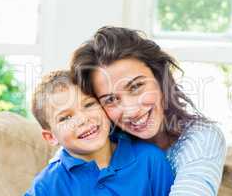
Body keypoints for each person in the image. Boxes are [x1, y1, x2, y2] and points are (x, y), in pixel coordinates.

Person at [70, 26, 227, 196]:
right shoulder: (99, 138)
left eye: (136, 86)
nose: (131, 111)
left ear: (160, 78)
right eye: (111, 99)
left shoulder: (201, 137)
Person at [24, 70, 174, 196]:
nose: (83, 119)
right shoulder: (46, 186)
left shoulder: (150, 160)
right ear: (51, 137)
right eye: (66, 118)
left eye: (89, 104)